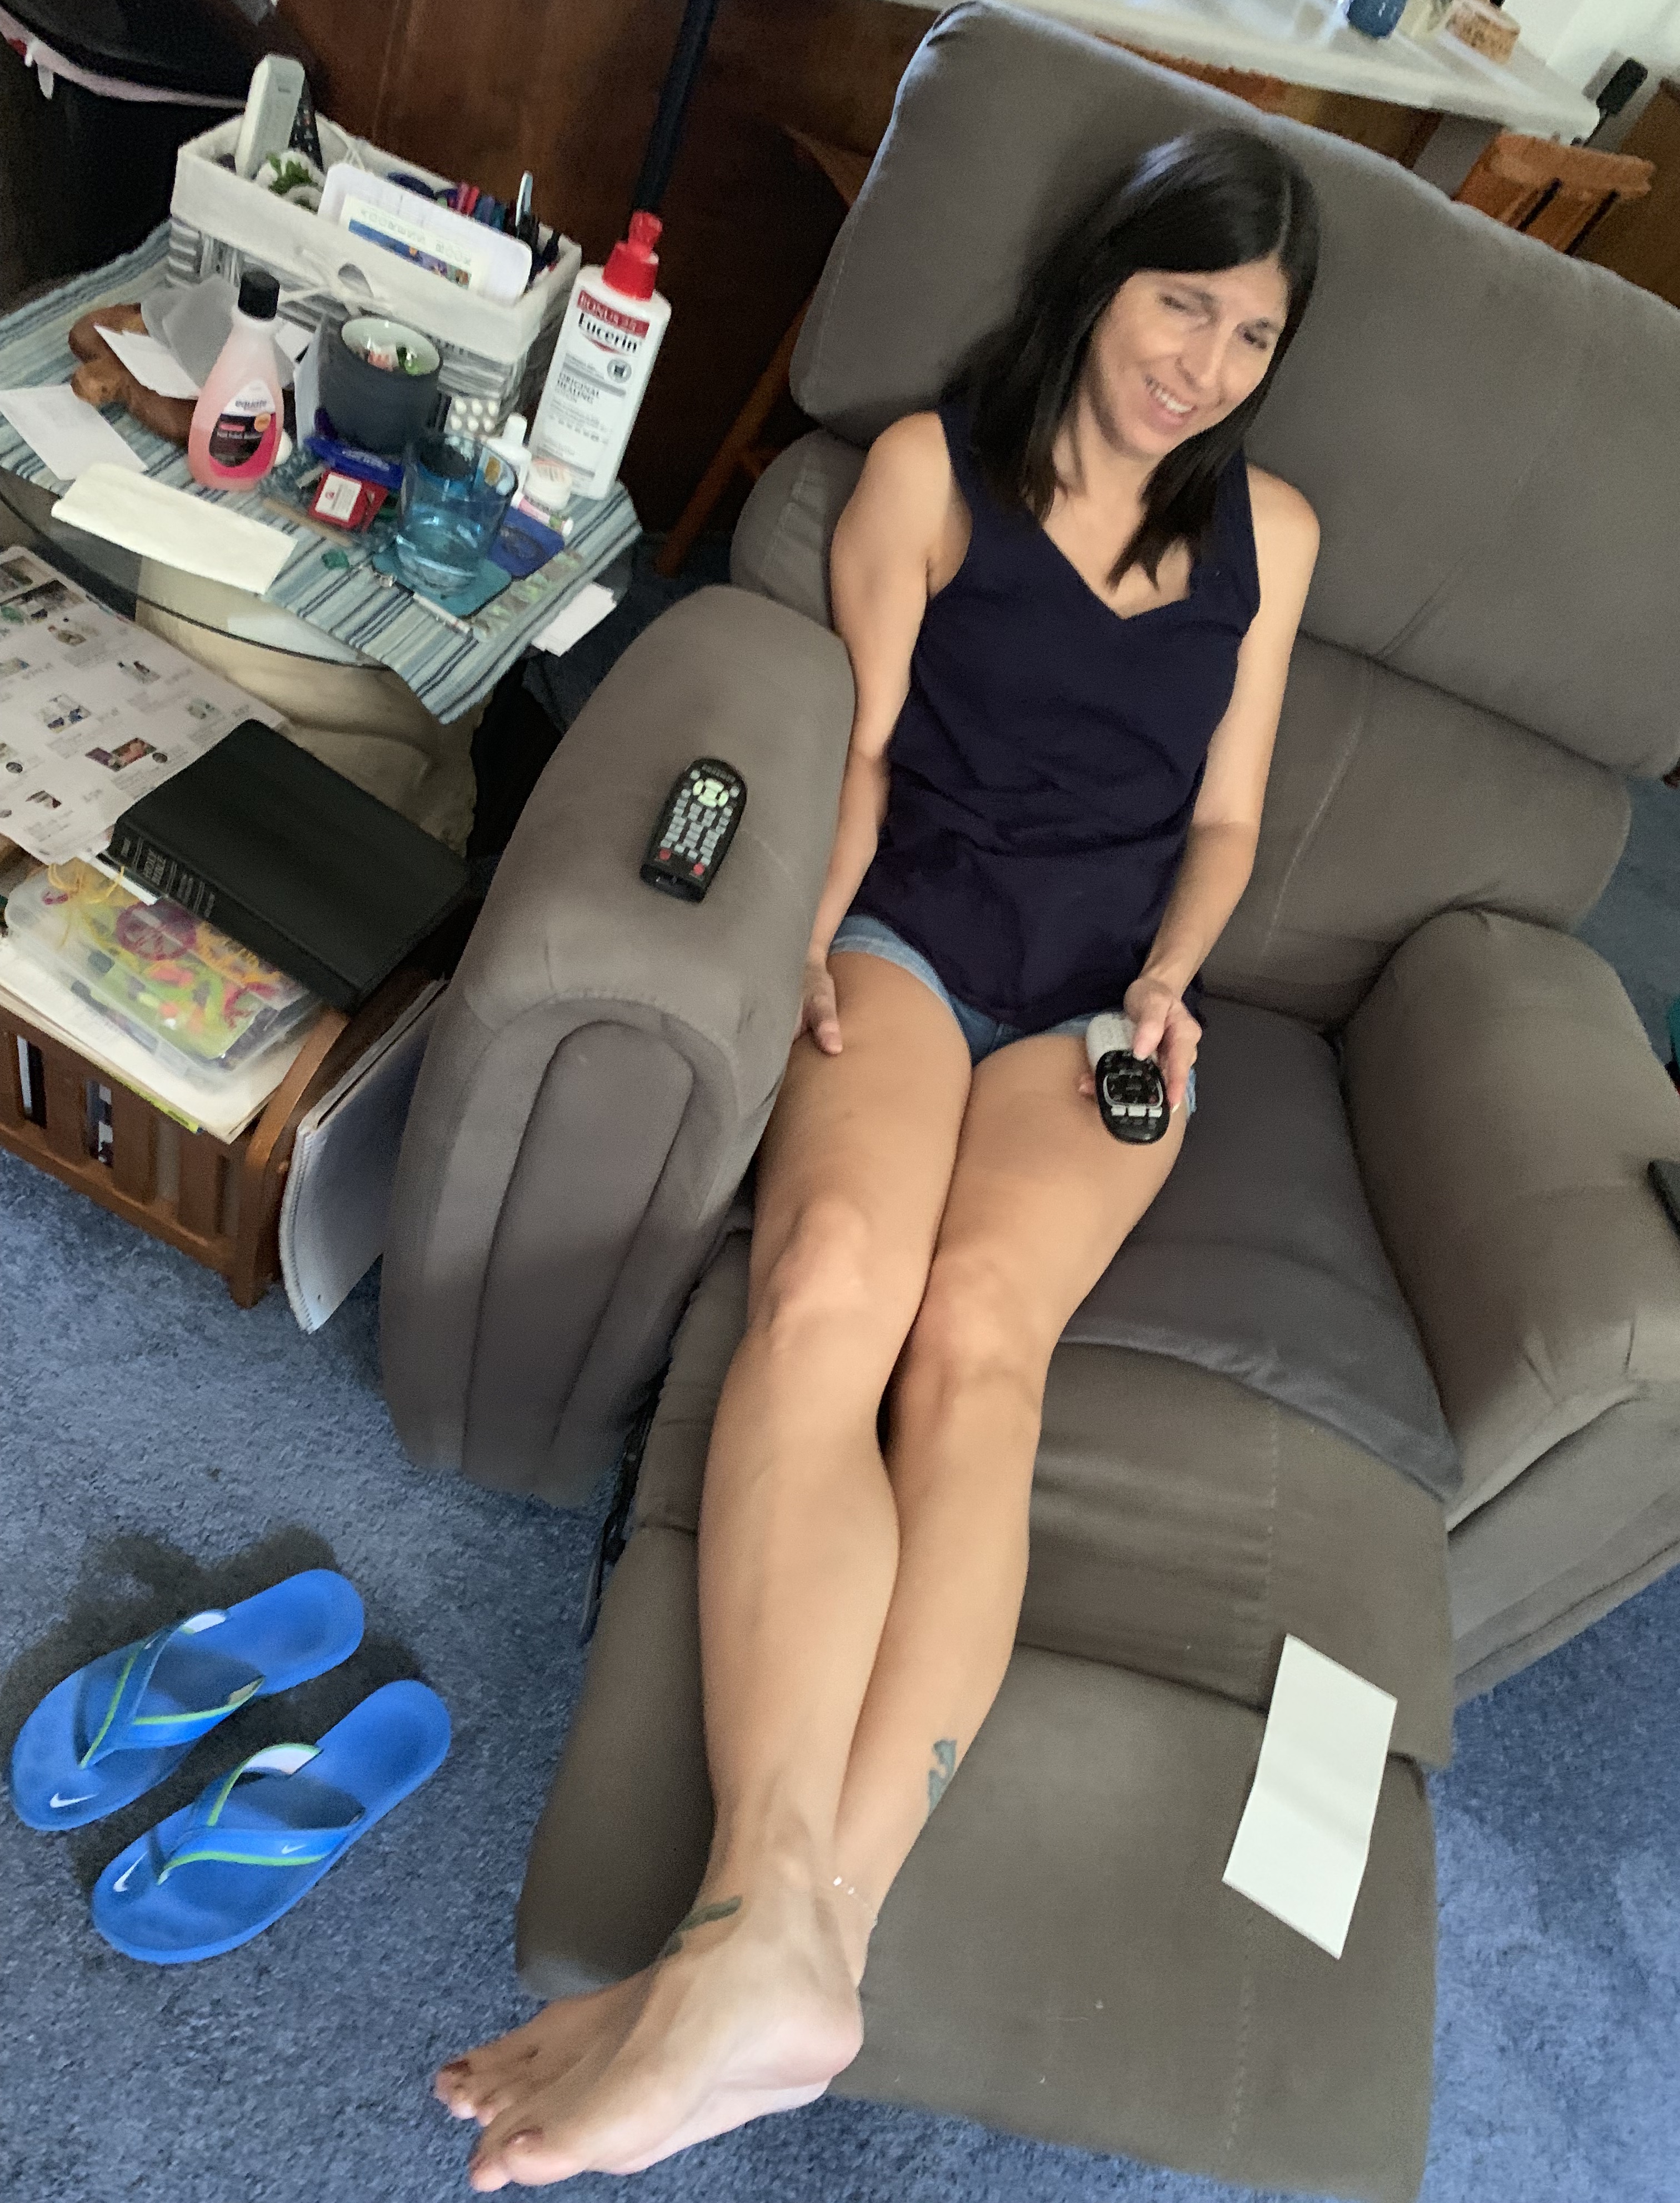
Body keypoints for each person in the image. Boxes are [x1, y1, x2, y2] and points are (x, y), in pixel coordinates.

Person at [438, 124, 1322, 2189]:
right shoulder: (930, 471)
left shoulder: (1274, 535)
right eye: (1182, 304)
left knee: (980, 1350)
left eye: (1252, 338)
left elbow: (1224, 818)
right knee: (835, 1281)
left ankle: (762, 1957)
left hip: (1106, 1010)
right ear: (1105, 278)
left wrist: (1170, 982)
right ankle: (768, 1933)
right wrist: (807, 936)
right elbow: (854, 745)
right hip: (915, 938)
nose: (1202, 366)